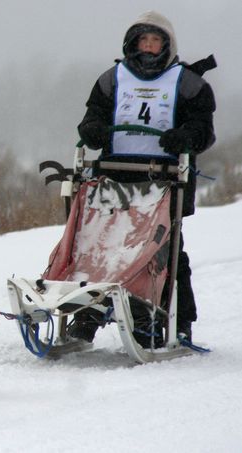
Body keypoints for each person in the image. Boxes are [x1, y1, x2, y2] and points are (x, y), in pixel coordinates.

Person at [70, 10, 216, 344]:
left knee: (166, 250)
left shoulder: (189, 83)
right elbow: (91, 118)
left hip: (166, 179)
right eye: (143, 41)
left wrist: (185, 137)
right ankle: (87, 316)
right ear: (133, 43)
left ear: (167, 44)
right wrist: (92, 131)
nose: (148, 48)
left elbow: (203, 131)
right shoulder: (112, 79)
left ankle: (172, 320)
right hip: (114, 177)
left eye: (155, 41)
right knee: (99, 246)